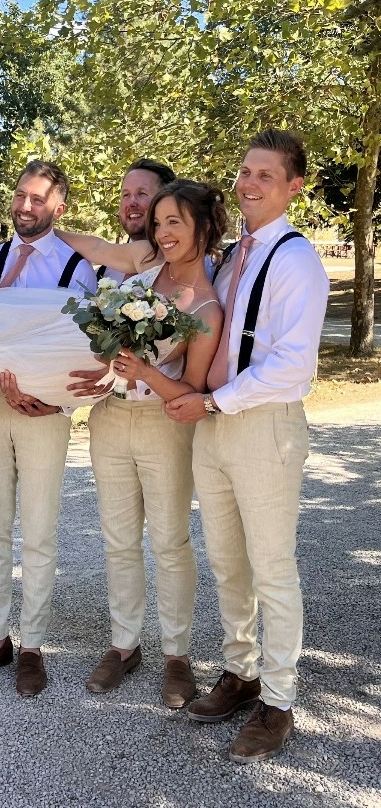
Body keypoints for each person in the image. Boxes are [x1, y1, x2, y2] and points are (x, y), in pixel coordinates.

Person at [164, 130, 329, 763]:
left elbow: (293, 367)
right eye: (245, 170)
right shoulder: (230, 257)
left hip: (263, 425)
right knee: (228, 561)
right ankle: (242, 672)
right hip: (215, 426)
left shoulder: (296, 260)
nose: (250, 182)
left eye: (266, 174)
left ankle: (279, 701)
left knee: (272, 568)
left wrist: (211, 401)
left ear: (294, 187)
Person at [56, 180, 225, 705]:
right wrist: (47, 221)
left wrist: (146, 370)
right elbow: (99, 248)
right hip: (109, 419)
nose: (163, 232)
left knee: (171, 543)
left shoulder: (209, 308)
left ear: (202, 225)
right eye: (158, 222)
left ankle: (177, 655)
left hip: (164, 427)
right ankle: (123, 645)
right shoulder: (144, 262)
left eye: (175, 222)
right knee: (118, 538)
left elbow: (193, 391)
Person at [0, 160, 98, 697]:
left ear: (59, 206)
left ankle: (32, 644)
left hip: (44, 414)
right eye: (20, 195)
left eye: (38, 199)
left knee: (38, 532)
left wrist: (54, 401)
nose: (25, 207)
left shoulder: (78, 268)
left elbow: (86, 346)